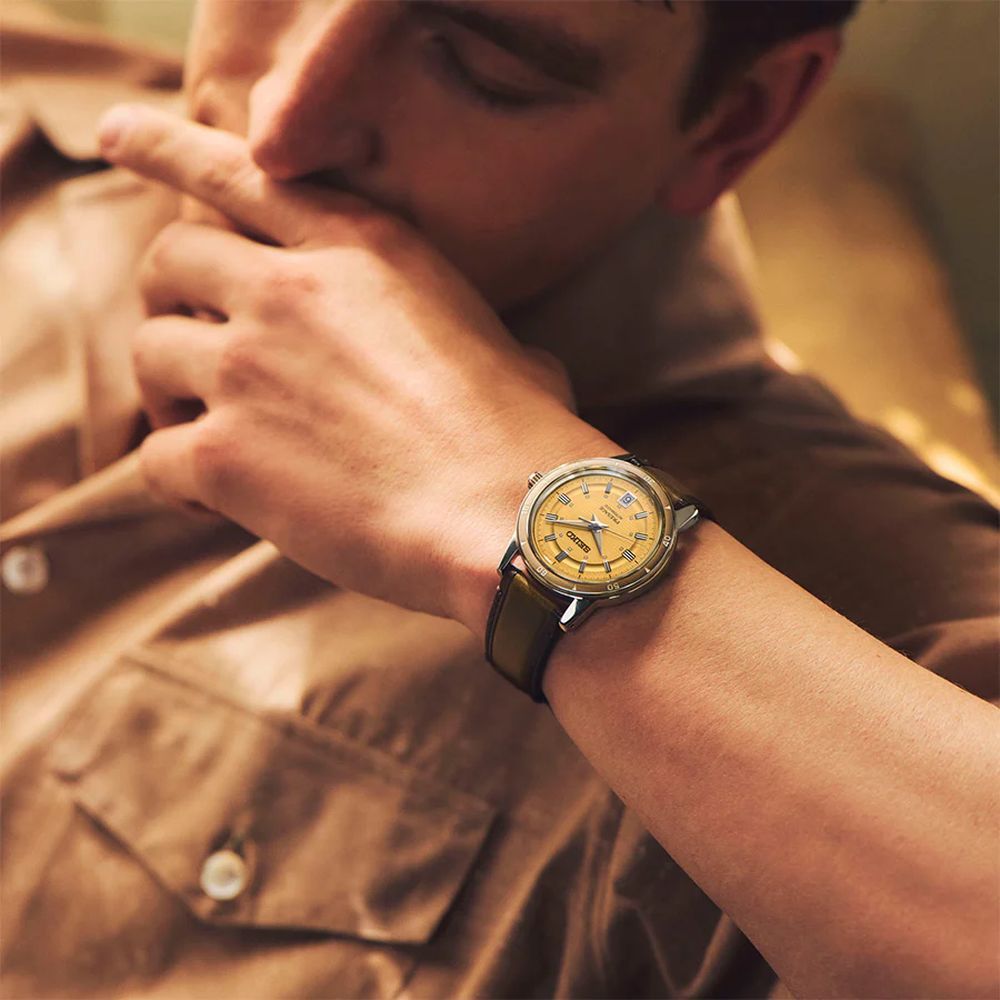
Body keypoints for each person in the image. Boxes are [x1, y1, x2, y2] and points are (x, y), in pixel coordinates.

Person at [1, 2, 996, 998]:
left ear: (734, 121)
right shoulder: (33, 103)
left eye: (482, 69)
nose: (280, 124)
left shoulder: (900, 638)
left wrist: (510, 508)